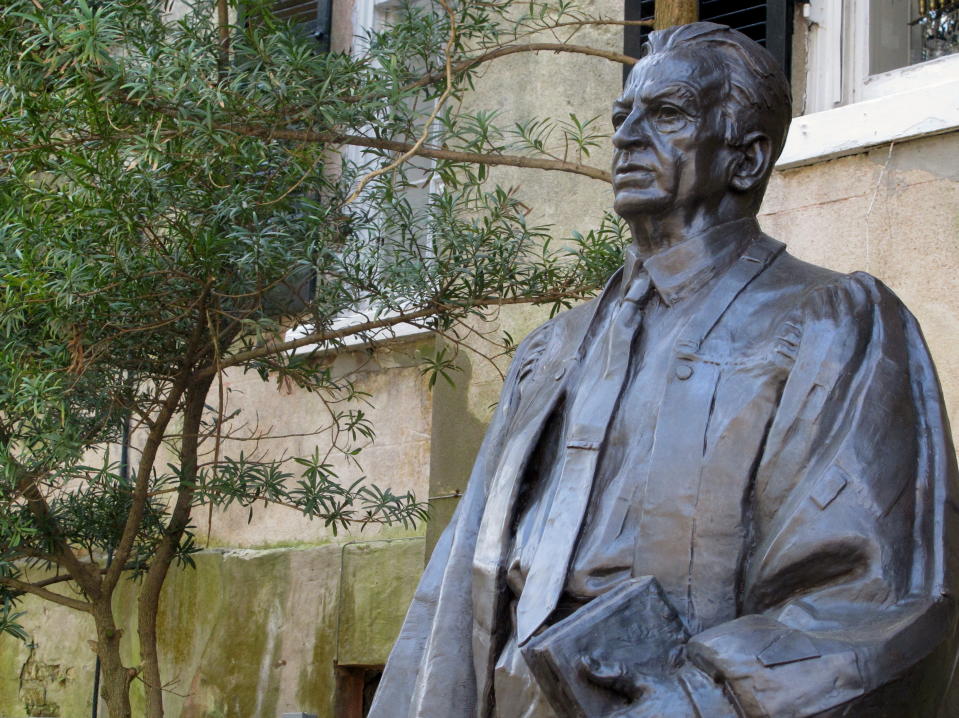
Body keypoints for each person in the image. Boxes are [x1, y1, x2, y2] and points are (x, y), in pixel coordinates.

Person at [369, 22, 959, 718]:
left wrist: (692, 703)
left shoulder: (830, 323)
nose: (624, 137)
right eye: (621, 116)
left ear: (746, 158)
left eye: (667, 114)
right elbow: (453, 595)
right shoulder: (553, 349)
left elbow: (875, 598)